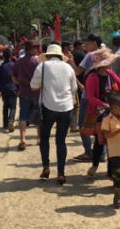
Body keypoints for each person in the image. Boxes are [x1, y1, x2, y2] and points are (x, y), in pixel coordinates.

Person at [30, 44, 78, 185]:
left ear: (48, 55)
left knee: (44, 138)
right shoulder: (68, 68)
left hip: (48, 107)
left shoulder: (42, 66)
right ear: (60, 55)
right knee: (61, 141)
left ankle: (46, 166)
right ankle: (61, 173)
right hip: (66, 107)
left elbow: (33, 85)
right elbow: (74, 88)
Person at [84, 48, 120, 177]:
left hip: (113, 112)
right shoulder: (93, 77)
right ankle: (95, 164)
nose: (111, 63)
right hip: (99, 114)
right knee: (100, 141)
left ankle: (111, 171)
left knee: (113, 141)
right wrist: (105, 105)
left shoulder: (110, 73)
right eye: (109, 61)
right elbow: (91, 98)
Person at [74, 33, 103, 162]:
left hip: (88, 95)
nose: (85, 45)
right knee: (100, 124)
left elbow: (78, 71)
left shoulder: (90, 55)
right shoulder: (106, 54)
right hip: (101, 95)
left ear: (94, 43)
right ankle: (101, 153)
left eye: (88, 43)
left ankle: (88, 152)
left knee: (82, 124)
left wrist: (69, 64)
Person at [12, 40, 40, 150]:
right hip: (36, 92)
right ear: (31, 49)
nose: (37, 49)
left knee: (23, 116)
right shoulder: (38, 61)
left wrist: (20, 84)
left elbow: (13, 77)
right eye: (36, 47)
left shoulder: (19, 61)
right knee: (38, 115)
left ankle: (22, 139)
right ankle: (39, 138)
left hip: (23, 92)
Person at [0, 50, 18, 132]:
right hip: (13, 88)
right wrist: (18, 88)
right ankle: (11, 121)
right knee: (13, 107)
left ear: (3, 57)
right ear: (10, 56)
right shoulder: (14, 65)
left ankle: (5, 124)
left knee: (5, 106)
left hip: (4, 90)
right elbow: (17, 77)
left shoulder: (1, 67)